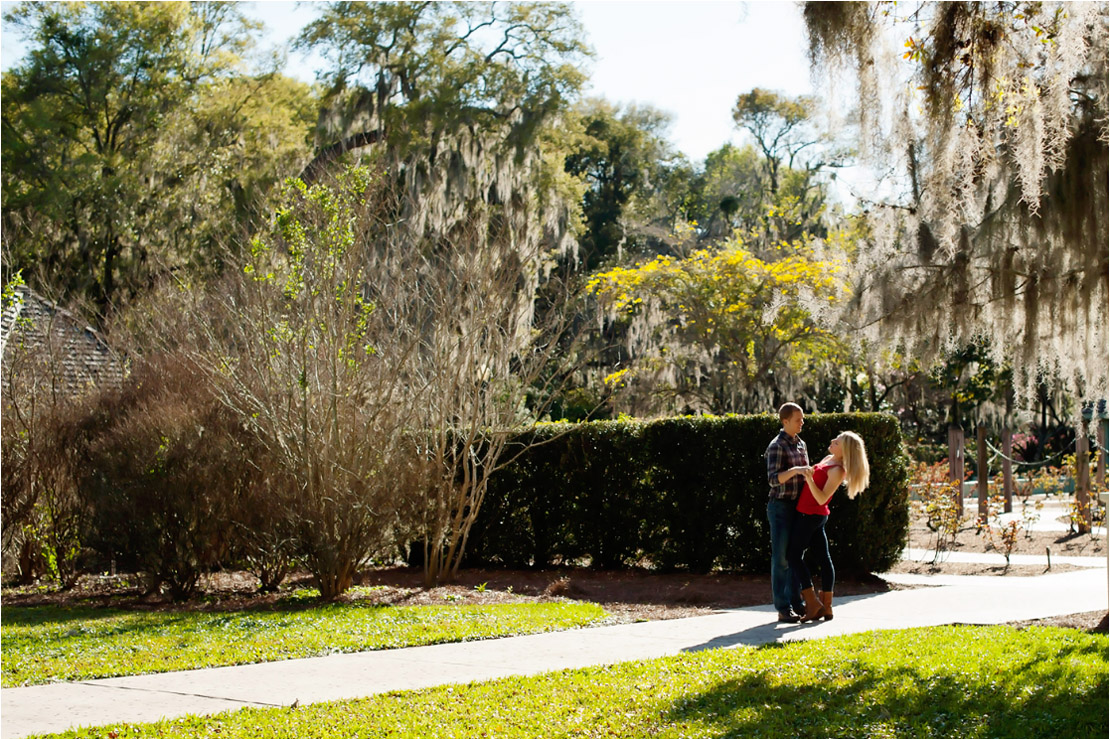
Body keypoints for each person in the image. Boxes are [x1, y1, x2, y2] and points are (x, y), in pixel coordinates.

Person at [787, 431, 870, 622]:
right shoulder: (828, 459)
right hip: (810, 514)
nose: (832, 441)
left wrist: (808, 478)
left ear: (845, 450)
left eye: (837, 442)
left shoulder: (838, 470)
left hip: (811, 515)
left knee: (793, 555)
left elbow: (822, 498)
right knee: (824, 558)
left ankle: (814, 603)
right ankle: (826, 608)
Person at [765, 402, 810, 623]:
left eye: (802, 418)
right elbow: (773, 480)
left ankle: (797, 603)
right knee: (781, 559)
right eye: (797, 419)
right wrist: (796, 470)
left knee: (795, 557)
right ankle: (783, 607)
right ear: (785, 421)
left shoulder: (801, 444)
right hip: (781, 507)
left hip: (799, 507)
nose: (802, 422)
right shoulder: (777, 445)